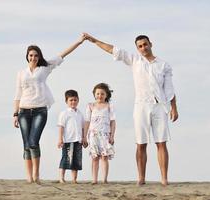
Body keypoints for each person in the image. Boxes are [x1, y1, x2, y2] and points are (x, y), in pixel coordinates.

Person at [84, 33, 178, 186]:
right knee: (141, 143)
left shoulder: (163, 65)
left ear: (150, 44)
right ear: (137, 48)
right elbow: (113, 50)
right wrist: (94, 41)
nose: (143, 48)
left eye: (145, 44)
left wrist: (174, 108)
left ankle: (164, 178)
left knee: (161, 142)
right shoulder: (135, 60)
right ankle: (141, 178)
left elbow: (169, 89)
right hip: (141, 105)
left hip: (159, 106)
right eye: (140, 46)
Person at [13, 35, 86, 184]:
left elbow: (62, 54)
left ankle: (36, 174)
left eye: (35, 55)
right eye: (30, 55)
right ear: (27, 57)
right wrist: (15, 113)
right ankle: (29, 176)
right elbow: (17, 94)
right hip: (23, 110)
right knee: (26, 143)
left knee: (34, 141)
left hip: (40, 109)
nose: (33, 57)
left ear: (39, 56)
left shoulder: (45, 67)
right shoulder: (21, 73)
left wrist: (78, 41)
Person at [84, 83, 116, 184]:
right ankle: (94, 179)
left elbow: (113, 122)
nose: (100, 96)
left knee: (104, 157)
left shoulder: (109, 106)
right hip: (93, 135)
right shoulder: (90, 106)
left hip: (105, 135)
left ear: (106, 95)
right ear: (94, 94)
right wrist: (84, 136)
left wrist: (112, 136)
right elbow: (87, 122)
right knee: (94, 157)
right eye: (97, 93)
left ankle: (104, 179)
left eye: (102, 94)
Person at [57, 90, 85, 184]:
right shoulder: (64, 113)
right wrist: (60, 139)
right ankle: (61, 178)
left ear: (78, 100)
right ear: (66, 101)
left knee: (76, 160)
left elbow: (82, 127)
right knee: (65, 158)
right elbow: (61, 126)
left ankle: (74, 179)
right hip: (68, 140)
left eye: (75, 100)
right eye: (71, 100)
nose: (73, 102)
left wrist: (84, 138)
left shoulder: (80, 114)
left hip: (78, 140)